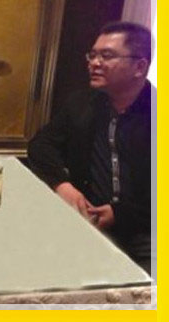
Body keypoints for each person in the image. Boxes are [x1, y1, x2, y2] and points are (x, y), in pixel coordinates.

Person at [28, 21, 153, 273]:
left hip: (146, 232)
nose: (94, 63)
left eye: (106, 56)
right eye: (93, 55)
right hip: (87, 221)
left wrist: (120, 215)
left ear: (140, 67)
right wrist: (62, 185)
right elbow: (41, 145)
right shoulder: (83, 103)